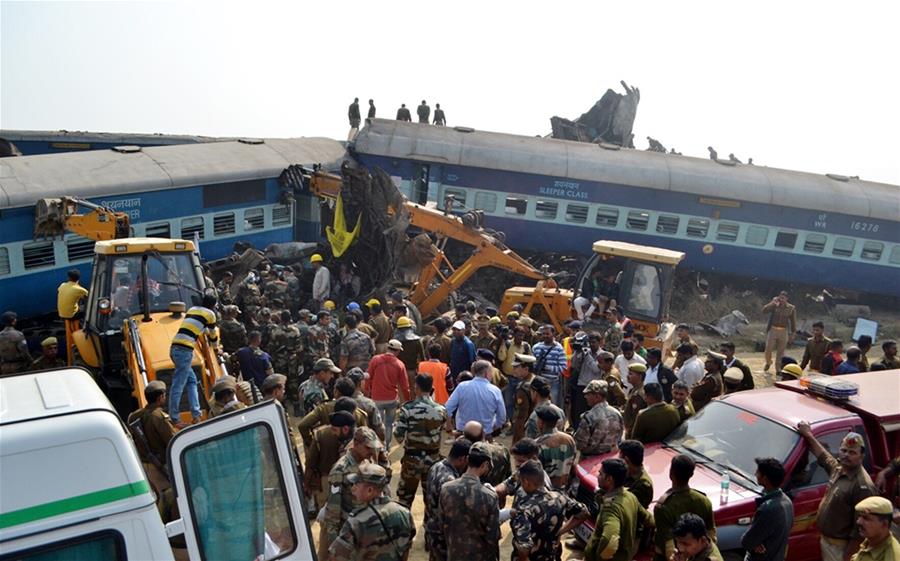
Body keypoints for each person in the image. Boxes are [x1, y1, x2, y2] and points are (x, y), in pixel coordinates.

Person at [797, 423, 877, 561]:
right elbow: (823, 457)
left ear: (862, 456)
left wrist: (849, 556)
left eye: (852, 452)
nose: (846, 455)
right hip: (827, 542)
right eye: (844, 450)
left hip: (841, 549)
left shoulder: (863, 486)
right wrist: (808, 435)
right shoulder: (839, 469)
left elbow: (860, 530)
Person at [328, 462, 414, 561]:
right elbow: (406, 549)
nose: (353, 488)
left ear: (369, 490)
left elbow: (335, 557)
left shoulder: (356, 521)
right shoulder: (404, 513)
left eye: (356, 484)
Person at [321, 427, 383, 559]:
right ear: (356, 444)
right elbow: (332, 514)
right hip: (349, 531)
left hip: (367, 528)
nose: (372, 452)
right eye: (367, 448)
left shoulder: (368, 461)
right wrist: (334, 546)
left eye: (373, 448)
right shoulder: (340, 470)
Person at [511, 460, 590, 561]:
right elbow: (584, 512)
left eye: (521, 482)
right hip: (552, 556)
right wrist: (560, 531)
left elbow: (524, 547)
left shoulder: (524, 509)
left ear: (526, 482)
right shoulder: (560, 497)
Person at [438, 442, 500, 560]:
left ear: (467, 459)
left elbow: (441, 524)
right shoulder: (490, 497)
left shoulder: (446, 489)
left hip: (454, 554)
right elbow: (492, 537)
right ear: (485, 464)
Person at [394, 374, 448, 508]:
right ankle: (428, 526)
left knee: (405, 499)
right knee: (431, 499)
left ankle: (405, 526)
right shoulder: (441, 410)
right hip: (433, 460)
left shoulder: (407, 409)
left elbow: (398, 436)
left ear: (416, 388)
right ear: (432, 389)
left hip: (412, 460)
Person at [584, 458, 653, 561]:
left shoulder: (611, 508)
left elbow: (610, 540)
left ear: (609, 479)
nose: (598, 477)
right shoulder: (630, 496)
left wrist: (599, 557)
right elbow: (649, 520)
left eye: (601, 474)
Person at [653, 454, 716, 561]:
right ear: (691, 474)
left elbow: (669, 547)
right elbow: (712, 536)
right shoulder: (704, 501)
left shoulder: (663, 507)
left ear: (671, 474)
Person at [168, 293, 218, 425]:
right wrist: (216, 348)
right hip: (185, 351)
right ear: (213, 305)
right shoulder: (211, 314)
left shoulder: (192, 309)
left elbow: (198, 327)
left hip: (174, 348)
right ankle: (174, 417)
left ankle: (196, 415)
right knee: (178, 385)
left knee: (192, 381)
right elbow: (212, 334)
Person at [424, 439, 470, 561]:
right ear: (463, 459)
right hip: (443, 535)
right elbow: (453, 515)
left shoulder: (436, 466)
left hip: (432, 527)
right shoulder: (450, 481)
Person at [304, 408, 356, 515]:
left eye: (334, 430)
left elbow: (310, 462)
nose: (333, 433)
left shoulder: (321, 434)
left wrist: (307, 484)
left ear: (345, 429)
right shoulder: (363, 438)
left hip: (327, 483)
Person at [740, 458, 793, 561]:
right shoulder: (787, 501)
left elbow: (747, 542)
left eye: (758, 472)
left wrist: (754, 544)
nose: (755, 474)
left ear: (765, 479)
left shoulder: (768, 509)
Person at [367, 339, 410, 448]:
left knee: (378, 425)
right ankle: (387, 447)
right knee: (389, 424)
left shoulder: (375, 360)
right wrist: (407, 400)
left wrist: (367, 391)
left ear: (388, 348)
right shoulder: (400, 364)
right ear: (397, 351)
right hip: (391, 399)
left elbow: (368, 377)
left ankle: (378, 447)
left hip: (376, 398)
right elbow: (405, 386)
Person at [445, 359, 506, 434]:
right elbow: (502, 417)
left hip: (463, 433)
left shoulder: (462, 386)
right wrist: (492, 427)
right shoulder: (495, 391)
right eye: (491, 372)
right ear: (487, 373)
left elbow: (448, 408)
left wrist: (449, 425)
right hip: (484, 434)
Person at [127, 380, 177, 469]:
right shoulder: (159, 417)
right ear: (160, 397)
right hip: (161, 465)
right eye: (164, 395)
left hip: (143, 464)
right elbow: (173, 440)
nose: (165, 397)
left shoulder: (134, 416)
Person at [574, 379, 623, 457]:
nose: (585, 397)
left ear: (597, 396)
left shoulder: (589, 417)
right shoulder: (617, 413)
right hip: (611, 457)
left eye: (588, 394)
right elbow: (619, 437)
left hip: (590, 460)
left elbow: (580, 444)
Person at [534, 405, 577, 490]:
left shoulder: (537, 444)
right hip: (565, 491)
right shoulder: (569, 439)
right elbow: (573, 465)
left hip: (546, 494)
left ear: (541, 423)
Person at [570, 331, 605, 426]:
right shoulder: (585, 351)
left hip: (594, 388)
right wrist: (577, 352)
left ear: (599, 342)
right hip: (582, 385)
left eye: (594, 342)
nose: (592, 345)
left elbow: (596, 369)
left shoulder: (603, 355)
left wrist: (587, 355)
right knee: (579, 412)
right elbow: (573, 364)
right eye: (590, 342)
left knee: (592, 413)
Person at [851, 496, 900, 561]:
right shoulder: (871, 541)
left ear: (884, 524)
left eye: (866, 518)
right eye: (859, 516)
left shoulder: (891, 557)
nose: (859, 522)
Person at [345, 368, 385, 441]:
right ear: (360, 383)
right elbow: (379, 429)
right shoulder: (368, 403)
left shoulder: (340, 401)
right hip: (365, 445)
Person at [532, 324, 567, 406]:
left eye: (547, 334)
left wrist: (548, 368)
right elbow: (531, 363)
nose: (545, 336)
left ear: (553, 334)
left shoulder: (559, 348)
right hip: (539, 381)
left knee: (552, 404)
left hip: (553, 382)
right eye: (543, 334)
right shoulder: (536, 347)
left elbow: (563, 367)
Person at [762, 291, 797, 373]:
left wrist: (793, 333)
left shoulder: (791, 308)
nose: (781, 299)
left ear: (787, 299)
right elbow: (764, 311)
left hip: (783, 330)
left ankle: (778, 368)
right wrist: (772, 303)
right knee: (768, 349)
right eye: (780, 297)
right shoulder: (775, 305)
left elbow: (793, 321)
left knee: (781, 351)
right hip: (773, 329)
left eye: (783, 298)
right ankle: (768, 362)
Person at [510, 353, 537, 441]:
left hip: (527, 429)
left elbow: (521, 415)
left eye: (516, 367)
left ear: (526, 369)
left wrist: (516, 438)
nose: (513, 370)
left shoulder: (523, 388)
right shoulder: (537, 381)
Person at [620, 439, 653, 509]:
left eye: (620, 457)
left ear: (626, 460)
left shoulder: (643, 486)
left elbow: (626, 507)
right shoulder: (626, 472)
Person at [395, 315, 425, 388]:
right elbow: (423, 358)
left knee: (401, 392)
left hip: (399, 371)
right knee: (413, 391)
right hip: (412, 371)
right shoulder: (417, 340)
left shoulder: (395, 341)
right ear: (410, 327)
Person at [622, 363, 648, 437]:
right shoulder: (633, 390)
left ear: (639, 376)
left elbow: (635, 418)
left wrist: (629, 432)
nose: (627, 376)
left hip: (633, 433)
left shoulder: (639, 394)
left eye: (631, 374)